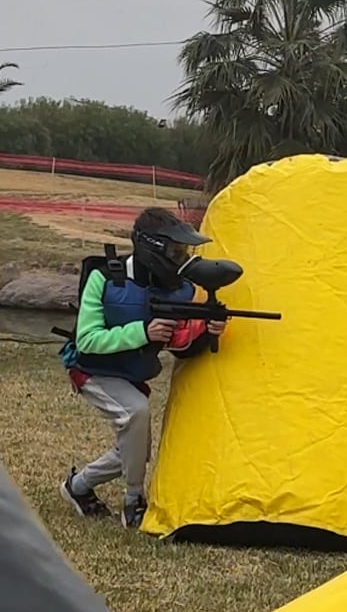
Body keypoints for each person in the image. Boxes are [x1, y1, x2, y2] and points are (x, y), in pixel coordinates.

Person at [59, 206, 224, 529]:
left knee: (134, 450)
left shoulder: (182, 290)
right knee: (136, 412)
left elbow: (182, 346)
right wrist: (142, 333)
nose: (181, 258)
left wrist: (207, 330)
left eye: (184, 251)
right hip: (93, 370)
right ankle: (134, 500)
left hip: (132, 375)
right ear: (151, 248)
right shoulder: (103, 277)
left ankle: (77, 488)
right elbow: (87, 340)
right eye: (175, 251)